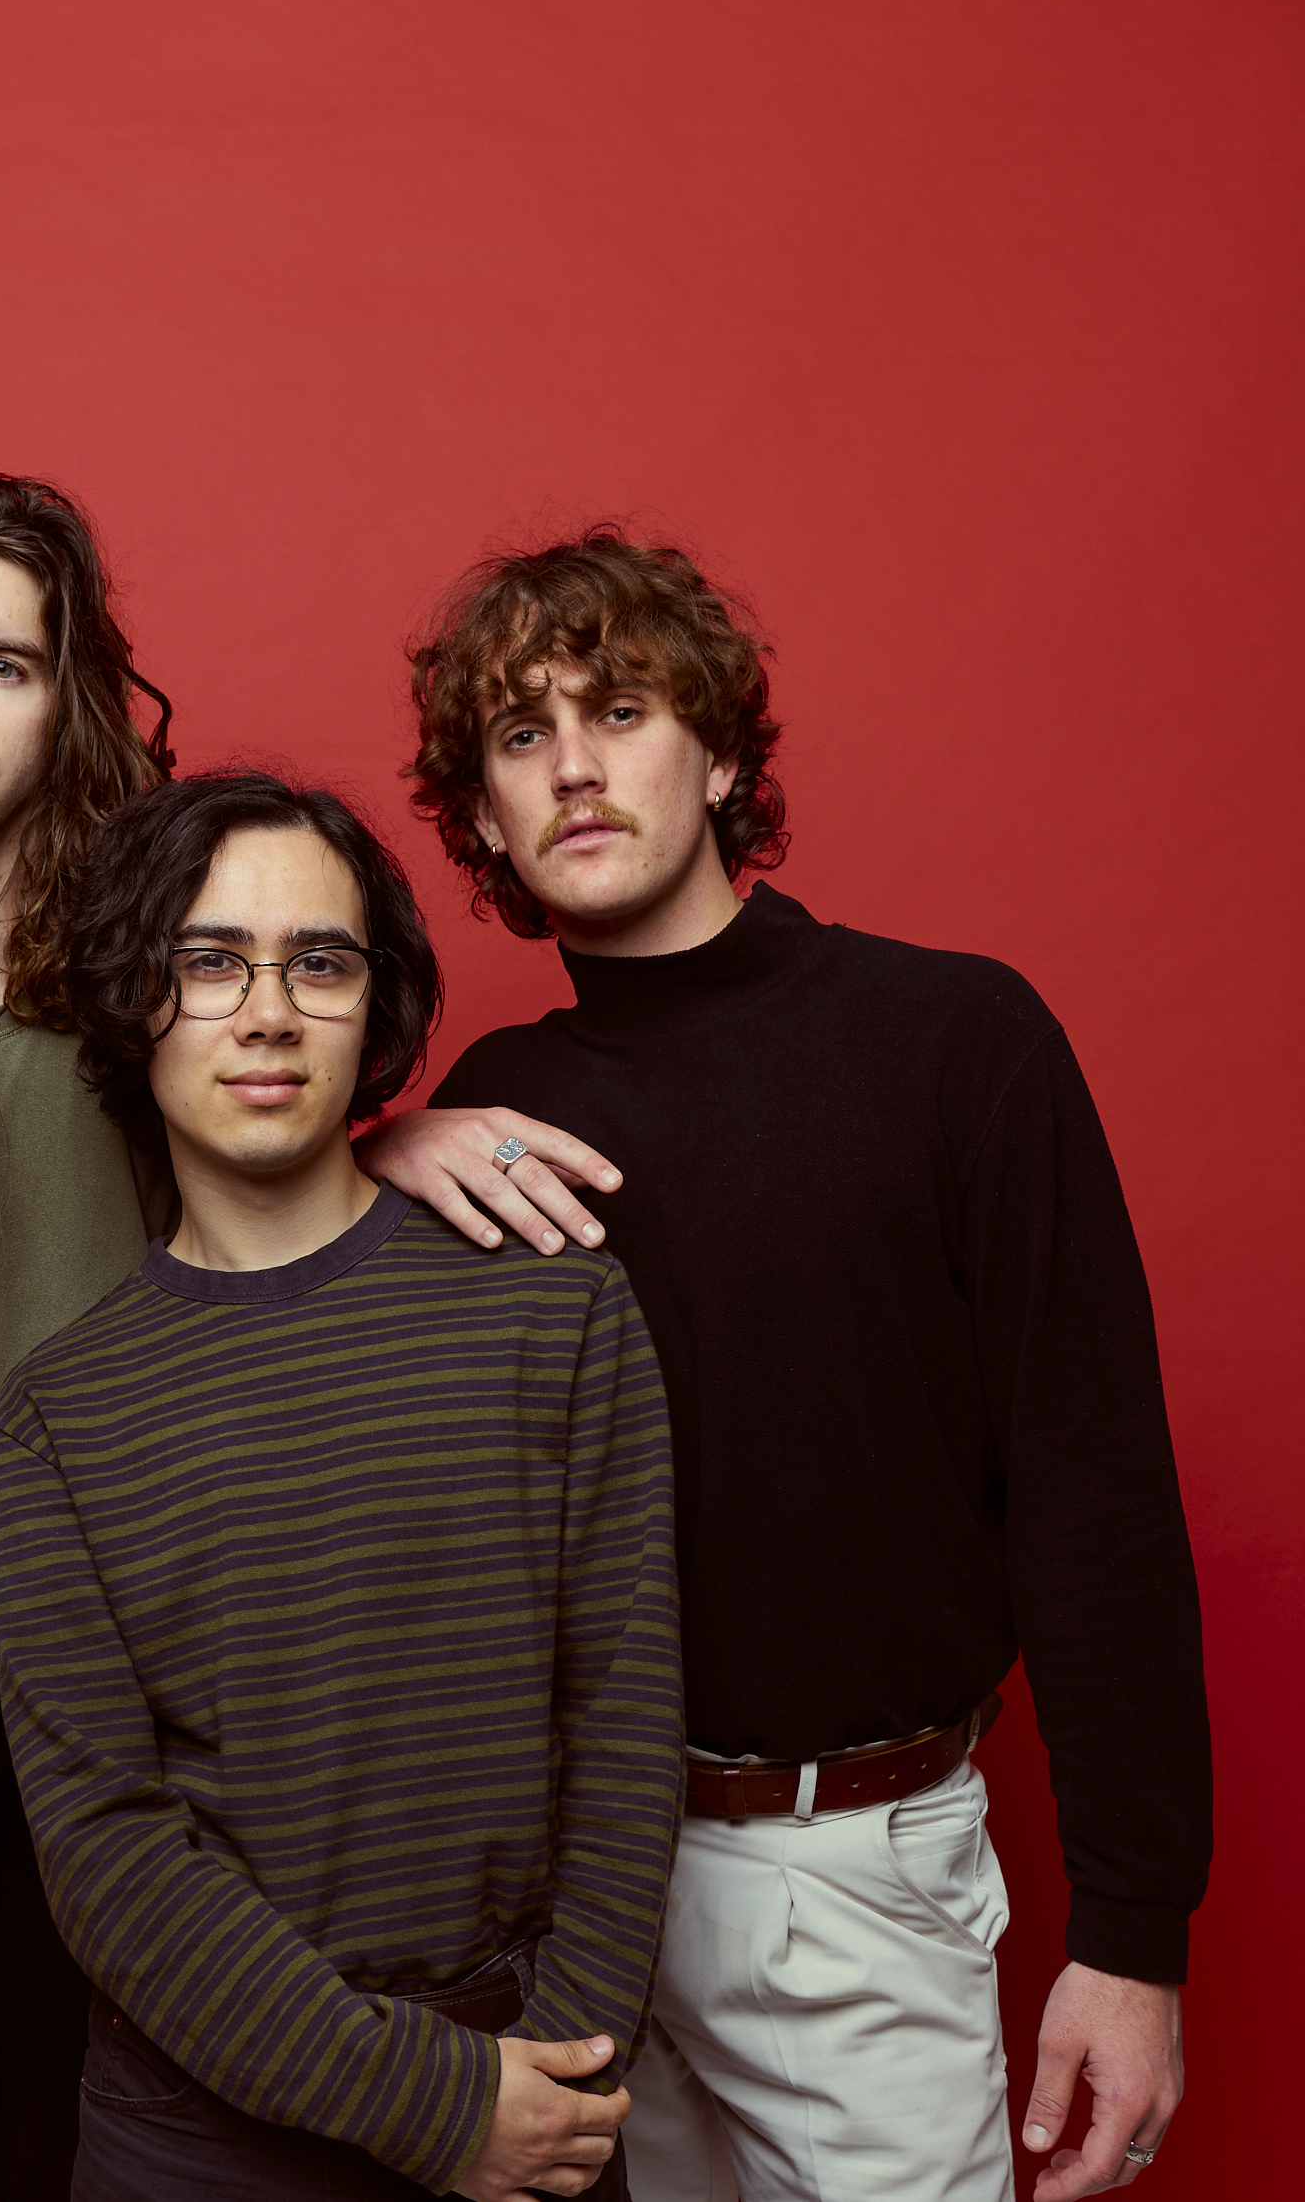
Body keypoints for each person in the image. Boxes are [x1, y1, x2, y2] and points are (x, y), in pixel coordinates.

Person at [0, 465, 638, 2201]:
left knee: (77, 2142)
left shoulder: (139, 1021)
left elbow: (260, 1177)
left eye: (3, 665)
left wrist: (382, 1134)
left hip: (72, 1744)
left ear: (65, 704)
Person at [406, 529, 1211, 2202]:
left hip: (853, 1871)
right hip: (577, 1896)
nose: (575, 767)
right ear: (482, 815)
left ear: (717, 756)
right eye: (523, 736)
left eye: (619, 712)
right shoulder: (490, 1108)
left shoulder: (955, 1041)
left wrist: (1134, 1937)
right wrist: (374, 1152)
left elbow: (1096, 1500)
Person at [0, 770, 684, 2202]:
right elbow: (109, 1850)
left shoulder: (554, 1311)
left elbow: (623, 1725)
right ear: (132, 999)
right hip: (197, 2139)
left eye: (319, 962)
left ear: (378, 1006)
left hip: (534, 2087)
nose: (269, 1012)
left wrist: (549, 2077)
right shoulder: (60, 1414)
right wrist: (427, 2107)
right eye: (209, 962)